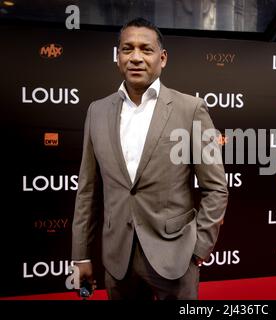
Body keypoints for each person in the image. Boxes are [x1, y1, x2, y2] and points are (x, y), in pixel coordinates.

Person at [71, 17, 228, 300]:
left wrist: (198, 248)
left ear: (162, 58)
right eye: (127, 49)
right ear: (118, 56)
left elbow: (216, 187)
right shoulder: (96, 112)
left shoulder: (190, 109)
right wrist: (81, 255)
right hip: (118, 260)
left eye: (146, 49)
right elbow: (87, 192)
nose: (136, 57)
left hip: (176, 260)